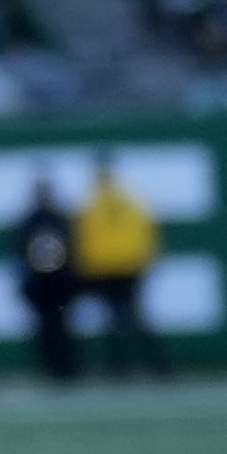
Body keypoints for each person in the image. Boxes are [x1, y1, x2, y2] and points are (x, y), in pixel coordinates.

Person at [73, 155, 169, 377]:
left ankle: (120, 369)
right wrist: (144, 260)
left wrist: (87, 267)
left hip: (106, 269)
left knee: (118, 321)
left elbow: (84, 238)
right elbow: (147, 232)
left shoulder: (92, 201)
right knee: (133, 319)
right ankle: (157, 367)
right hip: (130, 267)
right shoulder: (130, 197)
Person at [12, 175, 84, 386]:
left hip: (56, 283)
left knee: (58, 328)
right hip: (46, 285)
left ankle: (64, 369)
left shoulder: (40, 220)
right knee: (50, 329)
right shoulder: (46, 219)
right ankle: (56, 369)